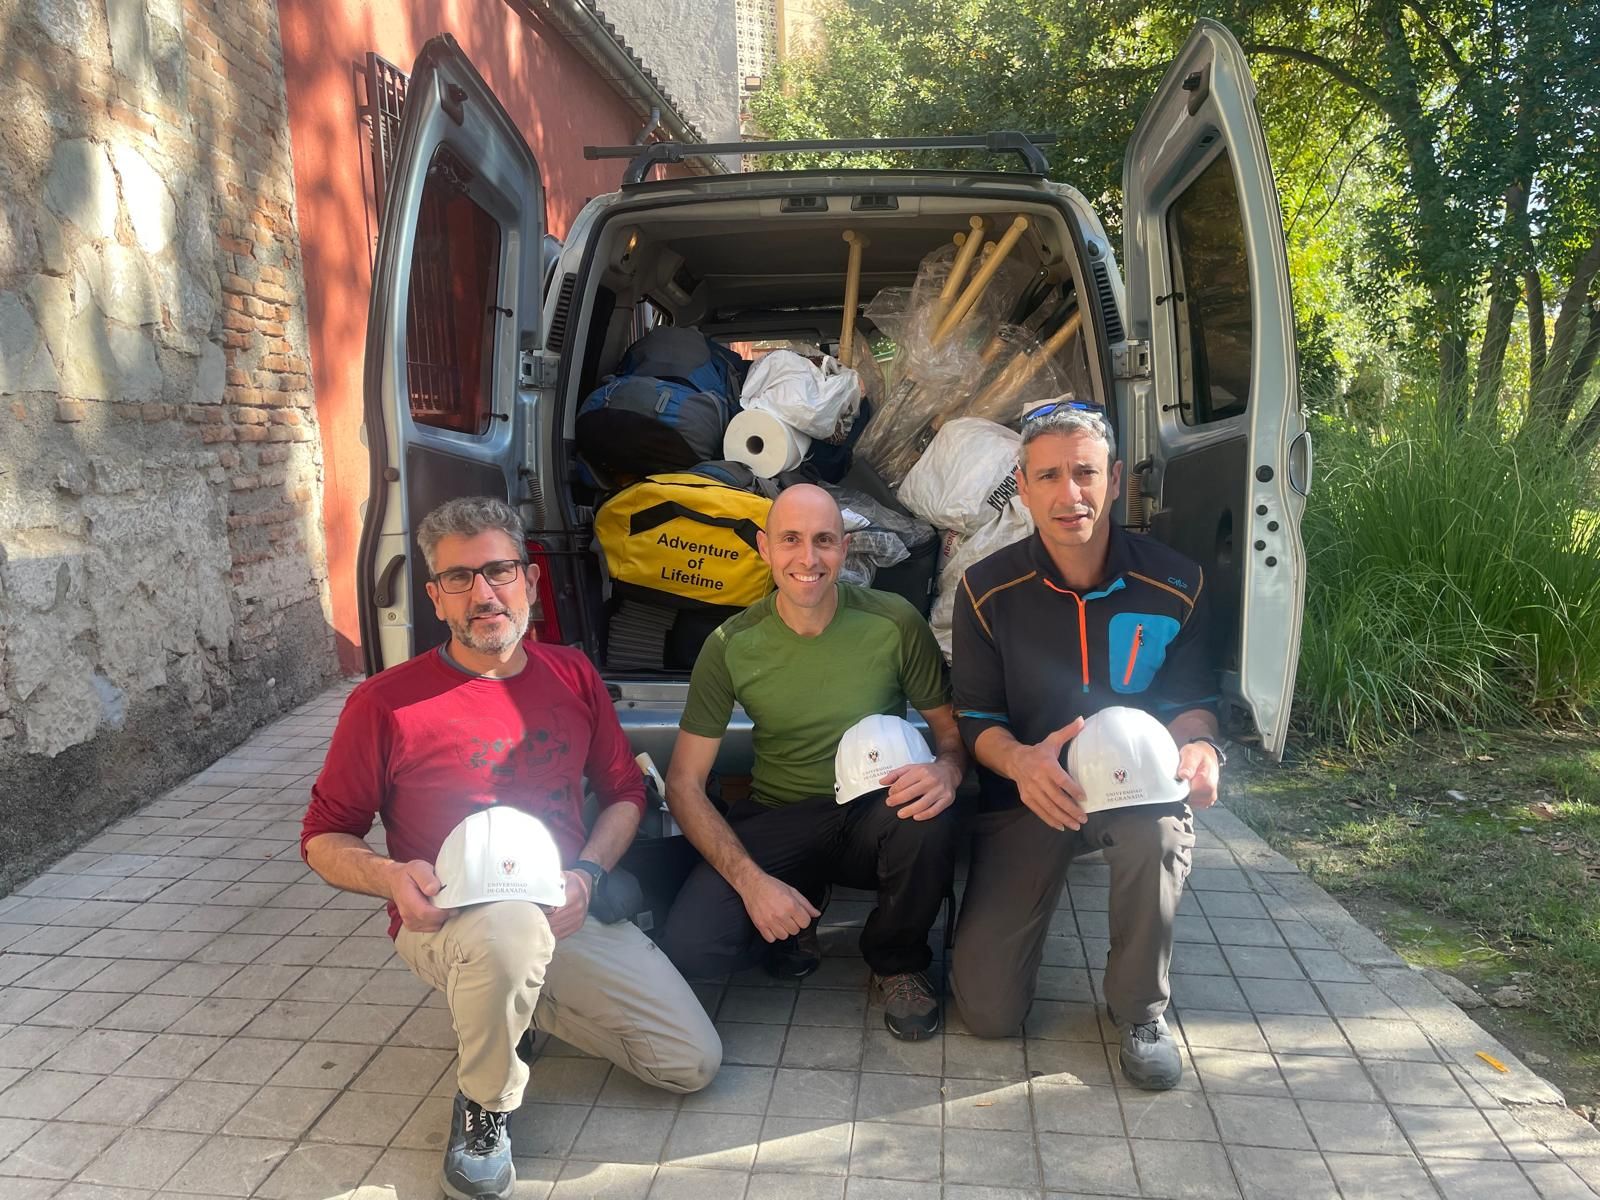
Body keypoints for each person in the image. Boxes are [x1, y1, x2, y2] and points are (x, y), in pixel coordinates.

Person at [301, 496, 720, 1200]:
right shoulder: (383, 703)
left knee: (690, 1064)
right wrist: (390, 876)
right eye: (460, 578)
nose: (484, 593)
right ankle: (483, 1106)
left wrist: (588, 872)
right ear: (437, 598)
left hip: (562, 906)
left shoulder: (572, 675)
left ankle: (506, 1006)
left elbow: (624, 792)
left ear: (528, 581)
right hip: (452, 917)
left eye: (499, 571)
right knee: (506, 931)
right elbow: (322, 837)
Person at [948, 401, 1224, 1090]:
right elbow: (976, 718)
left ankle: (1140, 1010)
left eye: (1085, 473)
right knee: (987, 1013)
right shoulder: (986, 589)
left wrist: (1201, 748)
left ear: (1116, 479)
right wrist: (1018, 761)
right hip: (1030, 795)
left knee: (1159, 830)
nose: (1069, 494)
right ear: (1023, 483)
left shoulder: (1176, 583)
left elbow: (1195, 706)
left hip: (1134, 791)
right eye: (1049, 476)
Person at [657, 484, 967, 1040]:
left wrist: (946, 771)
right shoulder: (731, 643)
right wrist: (752, 884)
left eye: (824, 541)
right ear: (764, 548)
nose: (808, 558)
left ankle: (898, 961)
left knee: (926, 815)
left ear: (845, 549)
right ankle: (793, 913)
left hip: (872, 812)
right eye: (791, 540)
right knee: (692, 946)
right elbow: (683, 784)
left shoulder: (894, 622)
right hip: (778, 814)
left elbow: (950, 735)